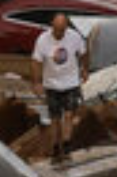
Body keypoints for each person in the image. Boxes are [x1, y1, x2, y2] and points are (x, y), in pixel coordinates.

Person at [31, 13, 89, 159]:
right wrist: (37, 82)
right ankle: (56, 147)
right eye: (57, 30)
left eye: (62, 30)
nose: (59, 34)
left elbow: (84, 53)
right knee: (55, 118)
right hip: (51, 84)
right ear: (52, 26)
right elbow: (36, 62)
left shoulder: (75, 37)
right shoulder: (43, 40)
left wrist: (84, 69)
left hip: (70, 82)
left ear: (66, 28)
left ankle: (67, 144)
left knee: (69, 115)